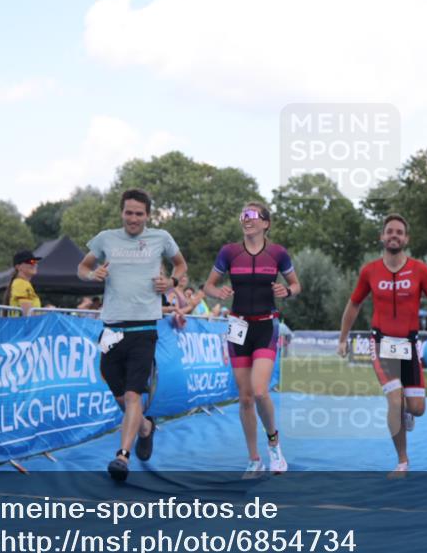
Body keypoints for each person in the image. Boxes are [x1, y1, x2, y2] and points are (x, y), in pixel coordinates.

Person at [77, 189, 188, 481]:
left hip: (144, 329)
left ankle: (122, 458)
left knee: (132, 394)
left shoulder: (160, 238)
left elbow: (182, 266)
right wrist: (92, 275)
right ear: (122, 212)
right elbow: (82, 267)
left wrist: (171, 281)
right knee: (120, 398)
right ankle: (145, 428)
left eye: (139, 213)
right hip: (111, 330)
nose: (134, 218)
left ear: (148, 215)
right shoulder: (106, 239)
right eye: (129, 212)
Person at [336, 214, 427, 474]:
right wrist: (343, 337)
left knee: (417, 408)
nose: (394, 235)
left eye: (399, 232)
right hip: (380, 344)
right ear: (382, 236)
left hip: (409, 347)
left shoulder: (420, 270)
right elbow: (354, 304)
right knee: (394, 401)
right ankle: (403, 461)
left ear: (406, 239)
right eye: (389, 231)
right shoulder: (369, 271)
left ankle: (406, 412)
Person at [203, 202, 301, 476]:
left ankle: (274, 446)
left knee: (259, 391)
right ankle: (254, 459)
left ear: (266, 223)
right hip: (238, 328)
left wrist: (288, 291)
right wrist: (216, 292)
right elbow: (208, 285)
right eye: (243, 215)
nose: (246, 219)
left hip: (266, 326)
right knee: (245, 398)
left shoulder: (278, 253)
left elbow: (296, 284)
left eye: (252, 215)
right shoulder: (229, 252)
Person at [4, 250, 41, 316]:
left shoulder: (23, 283)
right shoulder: (20, 284)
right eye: (30, 262)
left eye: (35, 261)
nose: (34, 264)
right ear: (18, 267)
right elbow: (28, 315)